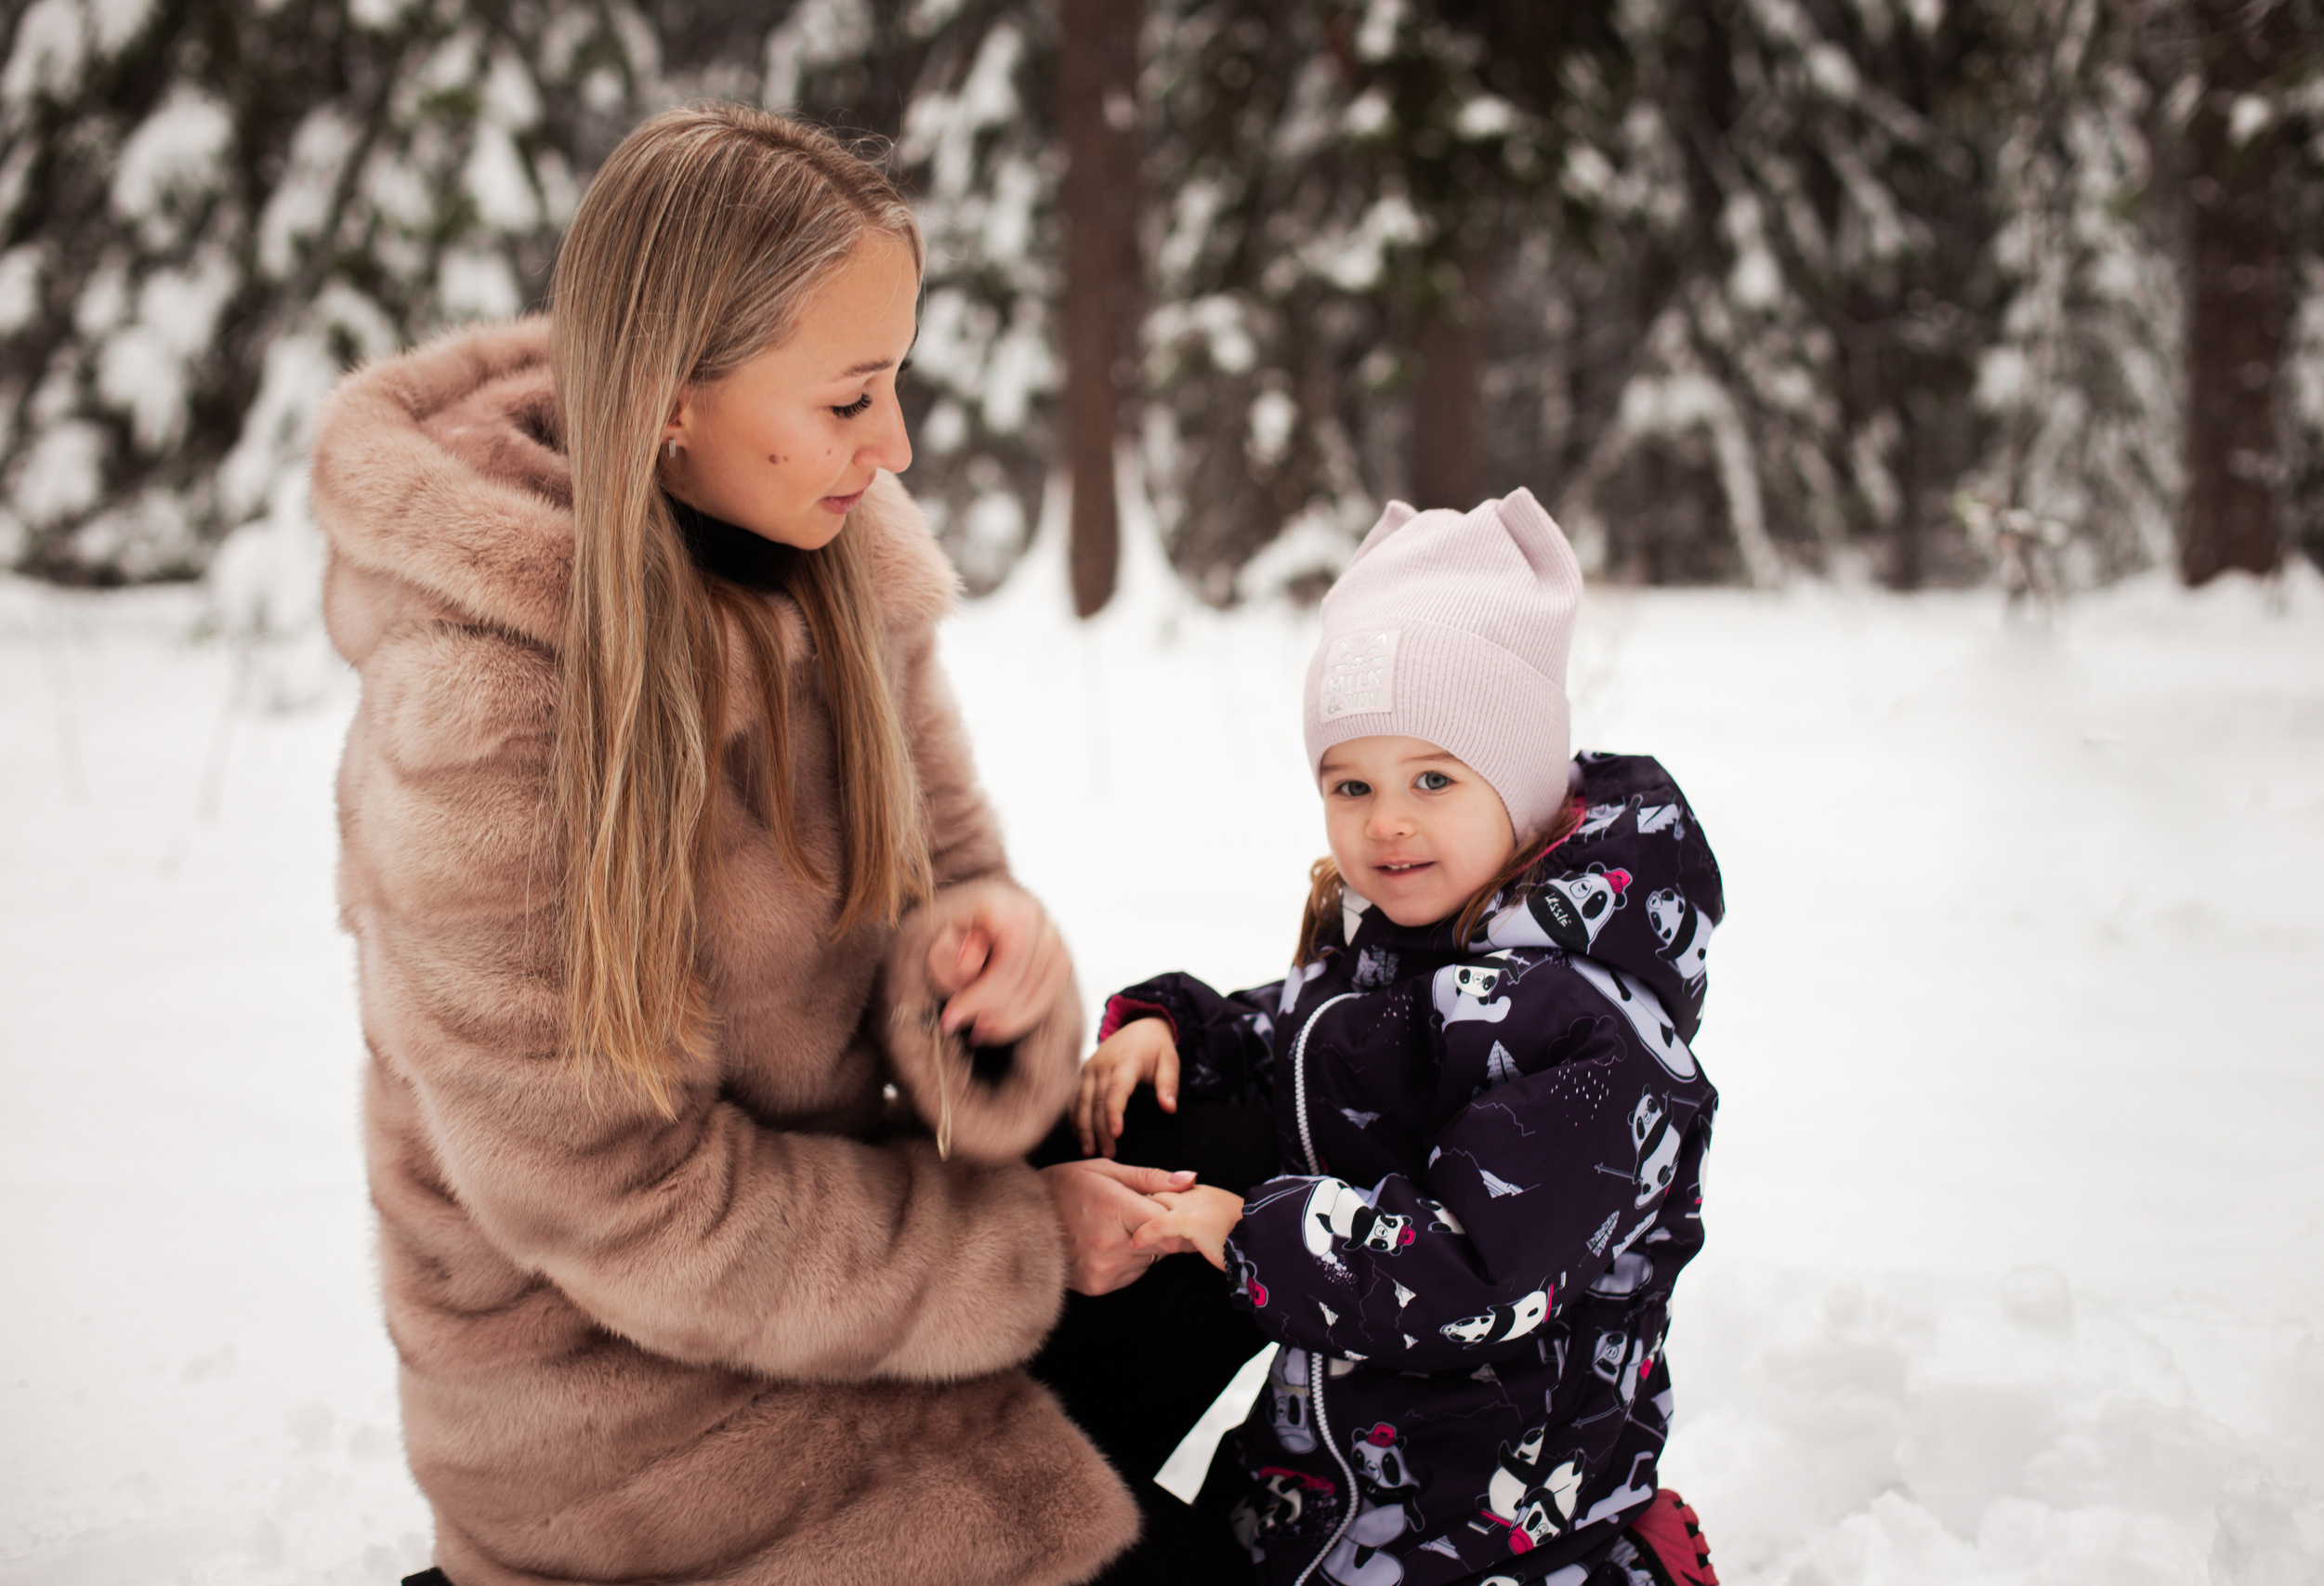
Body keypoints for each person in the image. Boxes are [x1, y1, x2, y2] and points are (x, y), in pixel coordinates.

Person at [314, 103, 1200, 1586]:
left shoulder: (831, 561)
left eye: (896, 383)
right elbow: (628, 1207)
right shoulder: (482, 714)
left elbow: (962, 889)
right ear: (675, 400)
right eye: (853, 397)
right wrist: (1019, 1245)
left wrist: (986, 980)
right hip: (633, 1426)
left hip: (867, 1291)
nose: (897, 443)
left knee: (1238, 1161)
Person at [1066, 489, 1727, 1586]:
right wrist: (1171, 1025)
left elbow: (1474, 1271)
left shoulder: (1589, 1033)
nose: (1387, 823)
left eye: (1432, 779)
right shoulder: (1406, 950)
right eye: (1351, 785)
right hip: (1339, 1481)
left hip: (1492, 1520)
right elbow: (1298, 1033)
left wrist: (1248, 1228)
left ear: (1518, 784)